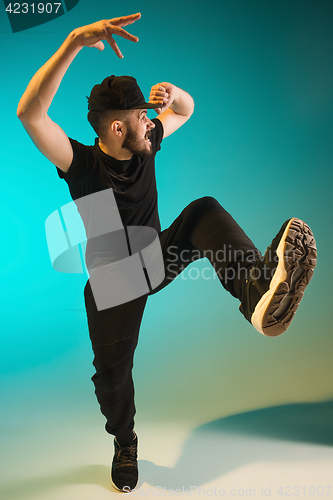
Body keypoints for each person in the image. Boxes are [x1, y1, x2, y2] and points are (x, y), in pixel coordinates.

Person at [17, 13, 317, 492]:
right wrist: (74, 40)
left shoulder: (144, 144)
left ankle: (260, 297)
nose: (150, 123)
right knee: (112, 380)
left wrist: (178, 99)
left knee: (202, 210)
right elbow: (30, 114)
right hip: (114, 285)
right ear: (116, 127)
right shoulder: (82, 164)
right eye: (140, 118)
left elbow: (184, 112)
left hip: (153, 259)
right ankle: (125, 442)